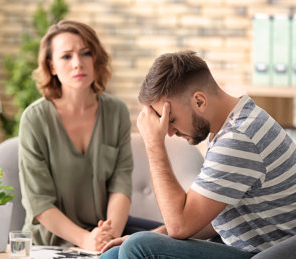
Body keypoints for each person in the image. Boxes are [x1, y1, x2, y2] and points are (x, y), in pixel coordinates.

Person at [100, 50, 296, 258]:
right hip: (245, 248)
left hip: (265, 254)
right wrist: (157, 234)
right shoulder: (233, 124)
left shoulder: (238, 138)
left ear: (199, 101)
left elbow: (179, 225)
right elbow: (209, 217)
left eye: (171, 119)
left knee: (138, 247)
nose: (169, 132)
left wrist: (153, 144)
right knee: (113, 255)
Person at [19, 20, 142, 252]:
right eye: (66, 56)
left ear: (96, 59)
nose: (78, 64)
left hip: (104, 235)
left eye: (86, 53)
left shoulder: (116, 111)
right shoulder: (34, 119)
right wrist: (86, 240)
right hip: (50, 242)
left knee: (171, 237)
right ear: (52, 66)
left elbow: (120, 185)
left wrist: (108, 236)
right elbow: (39, 202)